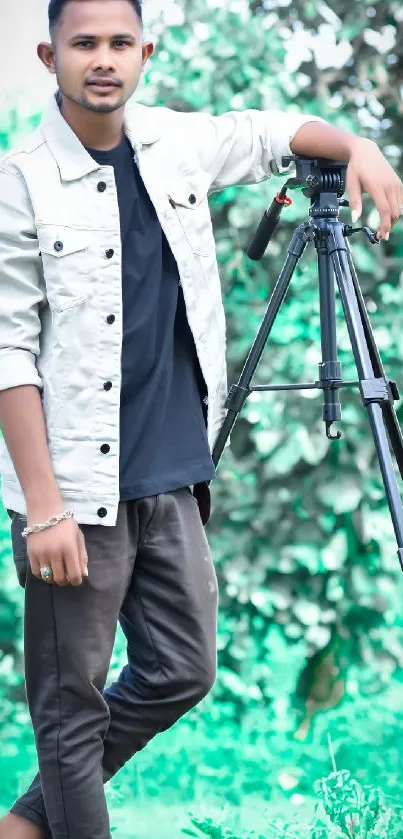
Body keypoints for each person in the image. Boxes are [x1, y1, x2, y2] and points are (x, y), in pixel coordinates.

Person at [0, 0, 402, 837]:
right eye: (84, 44)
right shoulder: (19, 179)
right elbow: (8, 353)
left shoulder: (176, 141)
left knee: (182, 668)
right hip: (77, 487)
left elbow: (271, 131)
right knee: (70, 710)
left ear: (145, 51)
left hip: (172, 473)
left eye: (119, 43)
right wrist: (44, 507)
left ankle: (29, 822)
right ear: (50, 55)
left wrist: (360, 146)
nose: (102, 59)